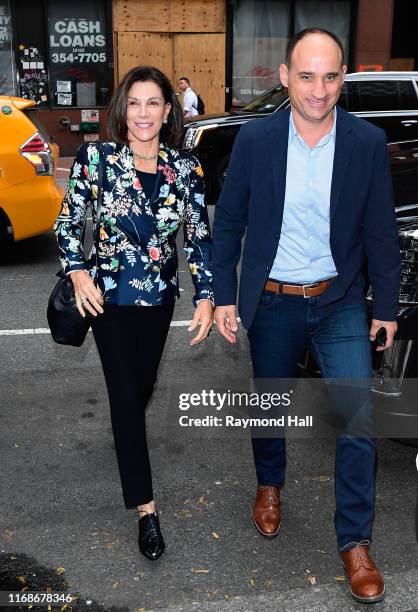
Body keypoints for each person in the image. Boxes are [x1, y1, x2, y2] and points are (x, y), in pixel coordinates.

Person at [212, 29, 400, 604]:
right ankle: (270, 484)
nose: (319, 90)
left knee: (356, 422)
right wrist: (223, 294)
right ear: (285, 75)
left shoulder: (367, 142)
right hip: (270, 299)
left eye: (331, 76)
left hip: (339, 299)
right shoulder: (257, 140)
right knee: (268, 406)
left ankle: (355, 541)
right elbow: (230, 223)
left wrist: (386, 306)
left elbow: (379, 231)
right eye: (308, 75)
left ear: (342, 78)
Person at [54, 65, 213, 561]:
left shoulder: (186, 170)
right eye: (135, 103)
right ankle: (146, 509)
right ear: (123, 109)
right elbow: (67, 221)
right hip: (107, 299)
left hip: (159, 300)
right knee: (126, 397)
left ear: (169, 112)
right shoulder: (96, 160)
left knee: (139, 390)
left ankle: (128, 436)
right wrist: (78, 271)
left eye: (154, 104)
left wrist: (204, 295)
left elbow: (199, 241)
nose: (143, 113)